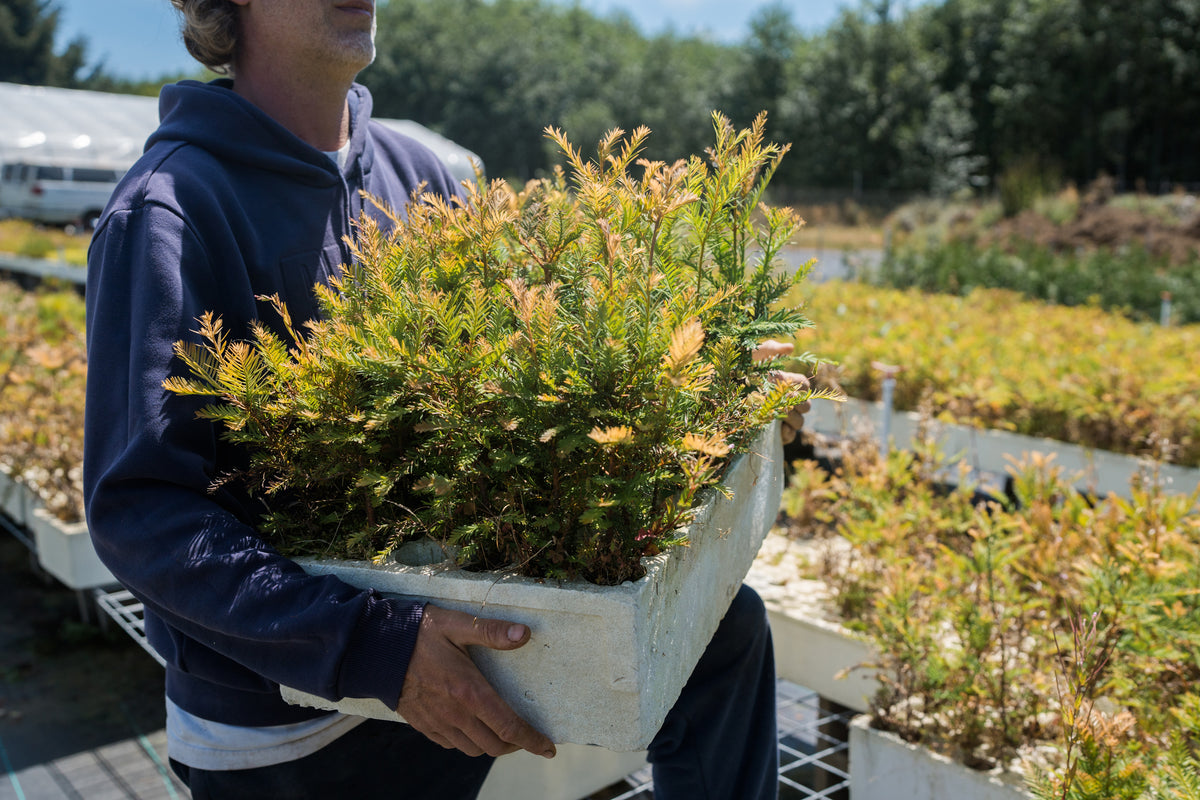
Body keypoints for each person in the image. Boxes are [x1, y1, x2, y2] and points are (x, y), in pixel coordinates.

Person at [83, 1, 809, 797]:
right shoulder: (171, 209)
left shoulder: (416, 175)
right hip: (290, 722)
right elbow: (143, 512)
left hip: (450, 637)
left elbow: (510, 388)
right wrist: (377, 647)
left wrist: (713, 401)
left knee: (725, 633)